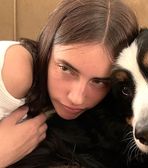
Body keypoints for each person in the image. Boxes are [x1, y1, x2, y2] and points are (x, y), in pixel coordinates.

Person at [0, 0, 139, 167]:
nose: (77, 98)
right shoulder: (16, 70)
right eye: (66, 69)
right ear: (49, 42)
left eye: (98, 81)